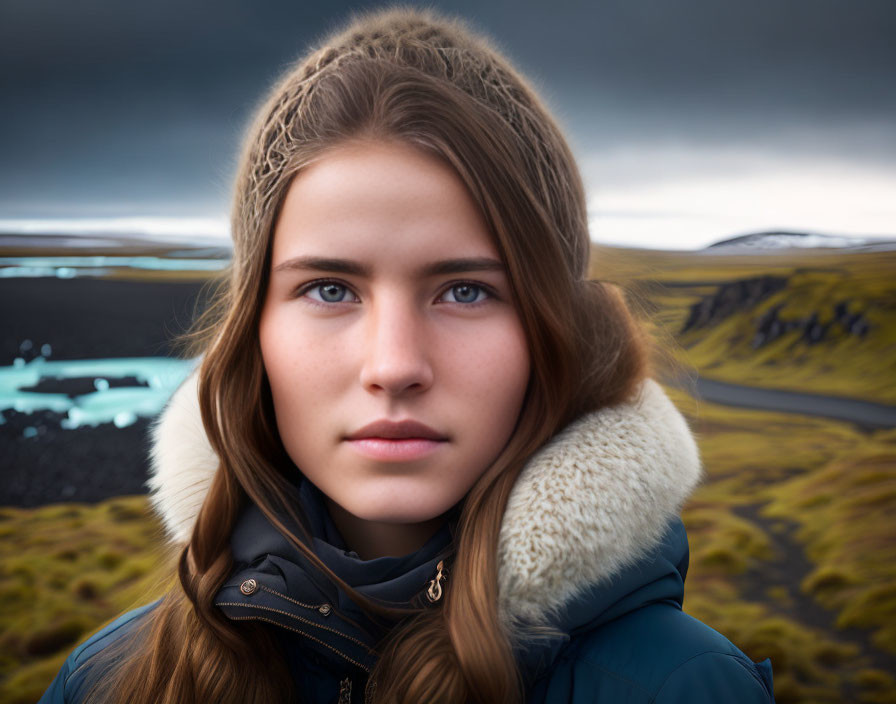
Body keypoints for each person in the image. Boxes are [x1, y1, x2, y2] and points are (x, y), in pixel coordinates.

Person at [39, 5, 775, 703]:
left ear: (556, 331)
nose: (393, 366)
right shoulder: (107, 680)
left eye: (464, 292)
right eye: (330, 289)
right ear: (253, 331)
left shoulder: (685, 686)